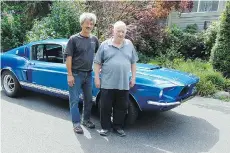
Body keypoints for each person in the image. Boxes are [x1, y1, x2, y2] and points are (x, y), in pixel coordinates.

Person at [94, 21, 138, 137]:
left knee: (122, 107)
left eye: (123, 31)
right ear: (113, 31)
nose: (121, 34)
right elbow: (97, 63)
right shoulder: (105, 45)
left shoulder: (129, 44)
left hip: (123, 83)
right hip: (107, 82)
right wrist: (97, 78)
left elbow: (133, 62)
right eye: (118, 31)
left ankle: (118, 127)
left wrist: (133, 77)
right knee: (105, 107)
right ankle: (105, 128)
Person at [65, 12, 99, 134]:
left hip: (88, 75)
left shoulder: (94, 39)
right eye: (87, 22)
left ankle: (86, 120)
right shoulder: (73, 39)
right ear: (82, 23)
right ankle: (76, 123)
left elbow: (98, 56)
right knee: (74, 100)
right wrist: (69, 74)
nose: (89, 25)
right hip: (75, 74)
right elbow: (68, 58)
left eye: (92, 23)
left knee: (89, 99)